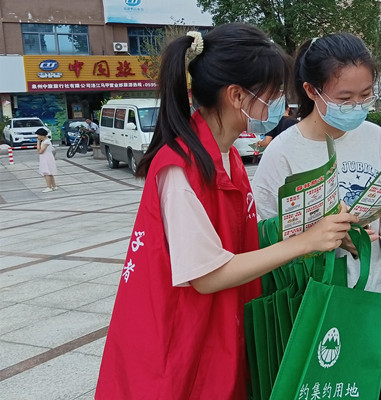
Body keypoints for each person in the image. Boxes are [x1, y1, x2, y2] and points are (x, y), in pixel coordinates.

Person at [95, 24, 357, 400]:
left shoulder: (226, 156)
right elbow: (207, 274)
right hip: (176, 348)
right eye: (273, 93)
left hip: (212, 330)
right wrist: (304, 242)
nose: (280, 105)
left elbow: (240, 240)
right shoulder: (180, 168)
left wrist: (317, 224)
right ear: (236, 95)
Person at [252, 33, 381, 295]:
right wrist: (327, 238)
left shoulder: (375, 138)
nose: (356, 106)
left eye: (365, 95)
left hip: (375, 293)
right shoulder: (282, 153)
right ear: (311, 90)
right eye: (344, 99)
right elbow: (266, 237)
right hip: (314, 298)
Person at [36, 128, 57, 192]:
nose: (37, 136)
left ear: (42, 135)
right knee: (50, 173)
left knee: (47, 173)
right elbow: (39, 149)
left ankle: (49, 187)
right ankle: (54, 186)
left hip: (47, 158)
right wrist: (38, 141)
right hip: (45, 158)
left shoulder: (46, 142)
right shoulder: (44, 141)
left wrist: (38, 142)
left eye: (38, 135)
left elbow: (40, 151)